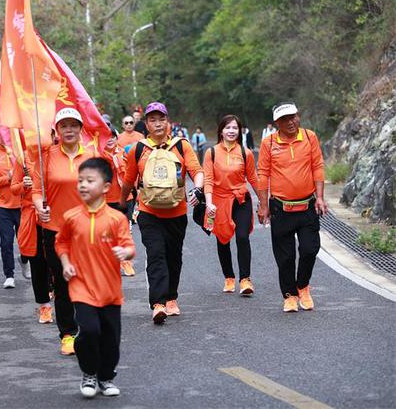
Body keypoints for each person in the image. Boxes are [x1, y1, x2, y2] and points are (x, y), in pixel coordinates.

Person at [55, 158, 135, 398]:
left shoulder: (116, 218)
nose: (83, 185)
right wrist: (66, 263)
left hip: (110, 290)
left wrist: (125, 252)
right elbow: (61, 242)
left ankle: (106, 377)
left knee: (111, 339)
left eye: (90, 180)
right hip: (82, 286)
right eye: (80, 180)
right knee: (89, 330)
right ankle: (89, 372)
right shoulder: (70, 217)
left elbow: (129, 245)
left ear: (106, 187)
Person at [120, 102, 204, 324]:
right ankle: (158, 303)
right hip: (149, 212)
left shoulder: (181, 145)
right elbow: (128, 181)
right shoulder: (138, 149)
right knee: (156, 254)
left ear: (168, 122)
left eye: (161, 119)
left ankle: (171, 298)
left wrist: (198, 188)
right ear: (146, 124)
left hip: (177, 212)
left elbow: (197, 171)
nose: (157, 124)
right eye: (153, 120)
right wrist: (122, 206)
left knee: (173, 256)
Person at [32, 108, 96, 355]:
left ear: (81, 129)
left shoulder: (91, 155)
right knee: (63, 282)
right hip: (55, 229)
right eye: (64, 126)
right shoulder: (46, 155)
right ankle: (68, 334)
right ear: (57, 130)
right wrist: (40, 208)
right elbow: (37, 190)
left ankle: (88, 328)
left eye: (73, 125)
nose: (69, 130)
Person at [257, 102, 327, 312]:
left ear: (299, 116)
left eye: (293, 117)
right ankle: (289, 295)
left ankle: (303, 285)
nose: (290, 122)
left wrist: (321, 197)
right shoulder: (268, 143)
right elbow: (263, 174)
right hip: (280, 208)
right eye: (284, 119)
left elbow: (318, 166)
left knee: (309, 249)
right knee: (285, 257)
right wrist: (263, 206)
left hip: (307, 206)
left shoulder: (309, 137)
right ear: (277, 123)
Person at [203, 115, 260, 295]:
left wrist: (265, 202)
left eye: (235, 128)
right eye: (228, 128)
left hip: (240, 199)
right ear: (221, 130)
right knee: (223, 238)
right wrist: (209, 203)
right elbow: (209, 180)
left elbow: (253, 179)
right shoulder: (211, 152)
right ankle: (229, 277)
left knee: (242, 237)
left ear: (239, 131)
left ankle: (245, 279)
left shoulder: (245, 153)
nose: (231, 131)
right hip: (219, 201)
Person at [10, 154, 55, 324]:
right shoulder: (22, 161)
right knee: (37, 263)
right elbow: (13, 188)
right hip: (31, 217)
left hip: (55, 215)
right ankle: (44, 305)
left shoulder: (57, 155)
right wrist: (23, 185)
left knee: (58, 260)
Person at [0, 128, 30, 288]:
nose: (1, 136)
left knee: (24, 241)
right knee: (6, 242)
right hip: (3, 206)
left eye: (4, 133)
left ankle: (24, 260)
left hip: (23, 205)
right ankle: (9, 275)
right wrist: (7, 178)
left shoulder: (21, 153)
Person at [104, 127, 136, 276]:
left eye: (113, 136)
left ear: (117, 139)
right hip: (106, 200)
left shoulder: (125, 153)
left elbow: (134, 173)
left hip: (125, 199)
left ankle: (126, 263)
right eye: (107, 136)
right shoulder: (99, 154)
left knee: (125, 232)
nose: (110, 139)